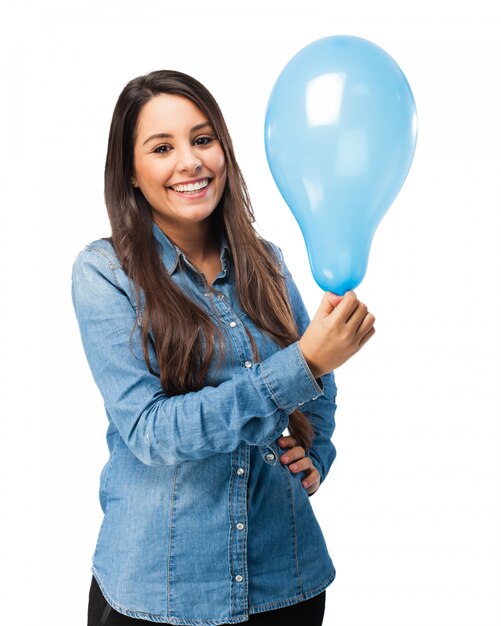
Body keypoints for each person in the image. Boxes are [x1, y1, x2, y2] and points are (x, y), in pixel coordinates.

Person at [72, 70, 376, 626]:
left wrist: (318, 452)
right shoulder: (105, 273)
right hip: (160, 594)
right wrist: (302, 364)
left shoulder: (268, 260)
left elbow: (319, 385)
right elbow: (151, 432)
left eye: (203, 139)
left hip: (285, 582)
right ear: (131, 173)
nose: (190, 161)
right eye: (162, 147)